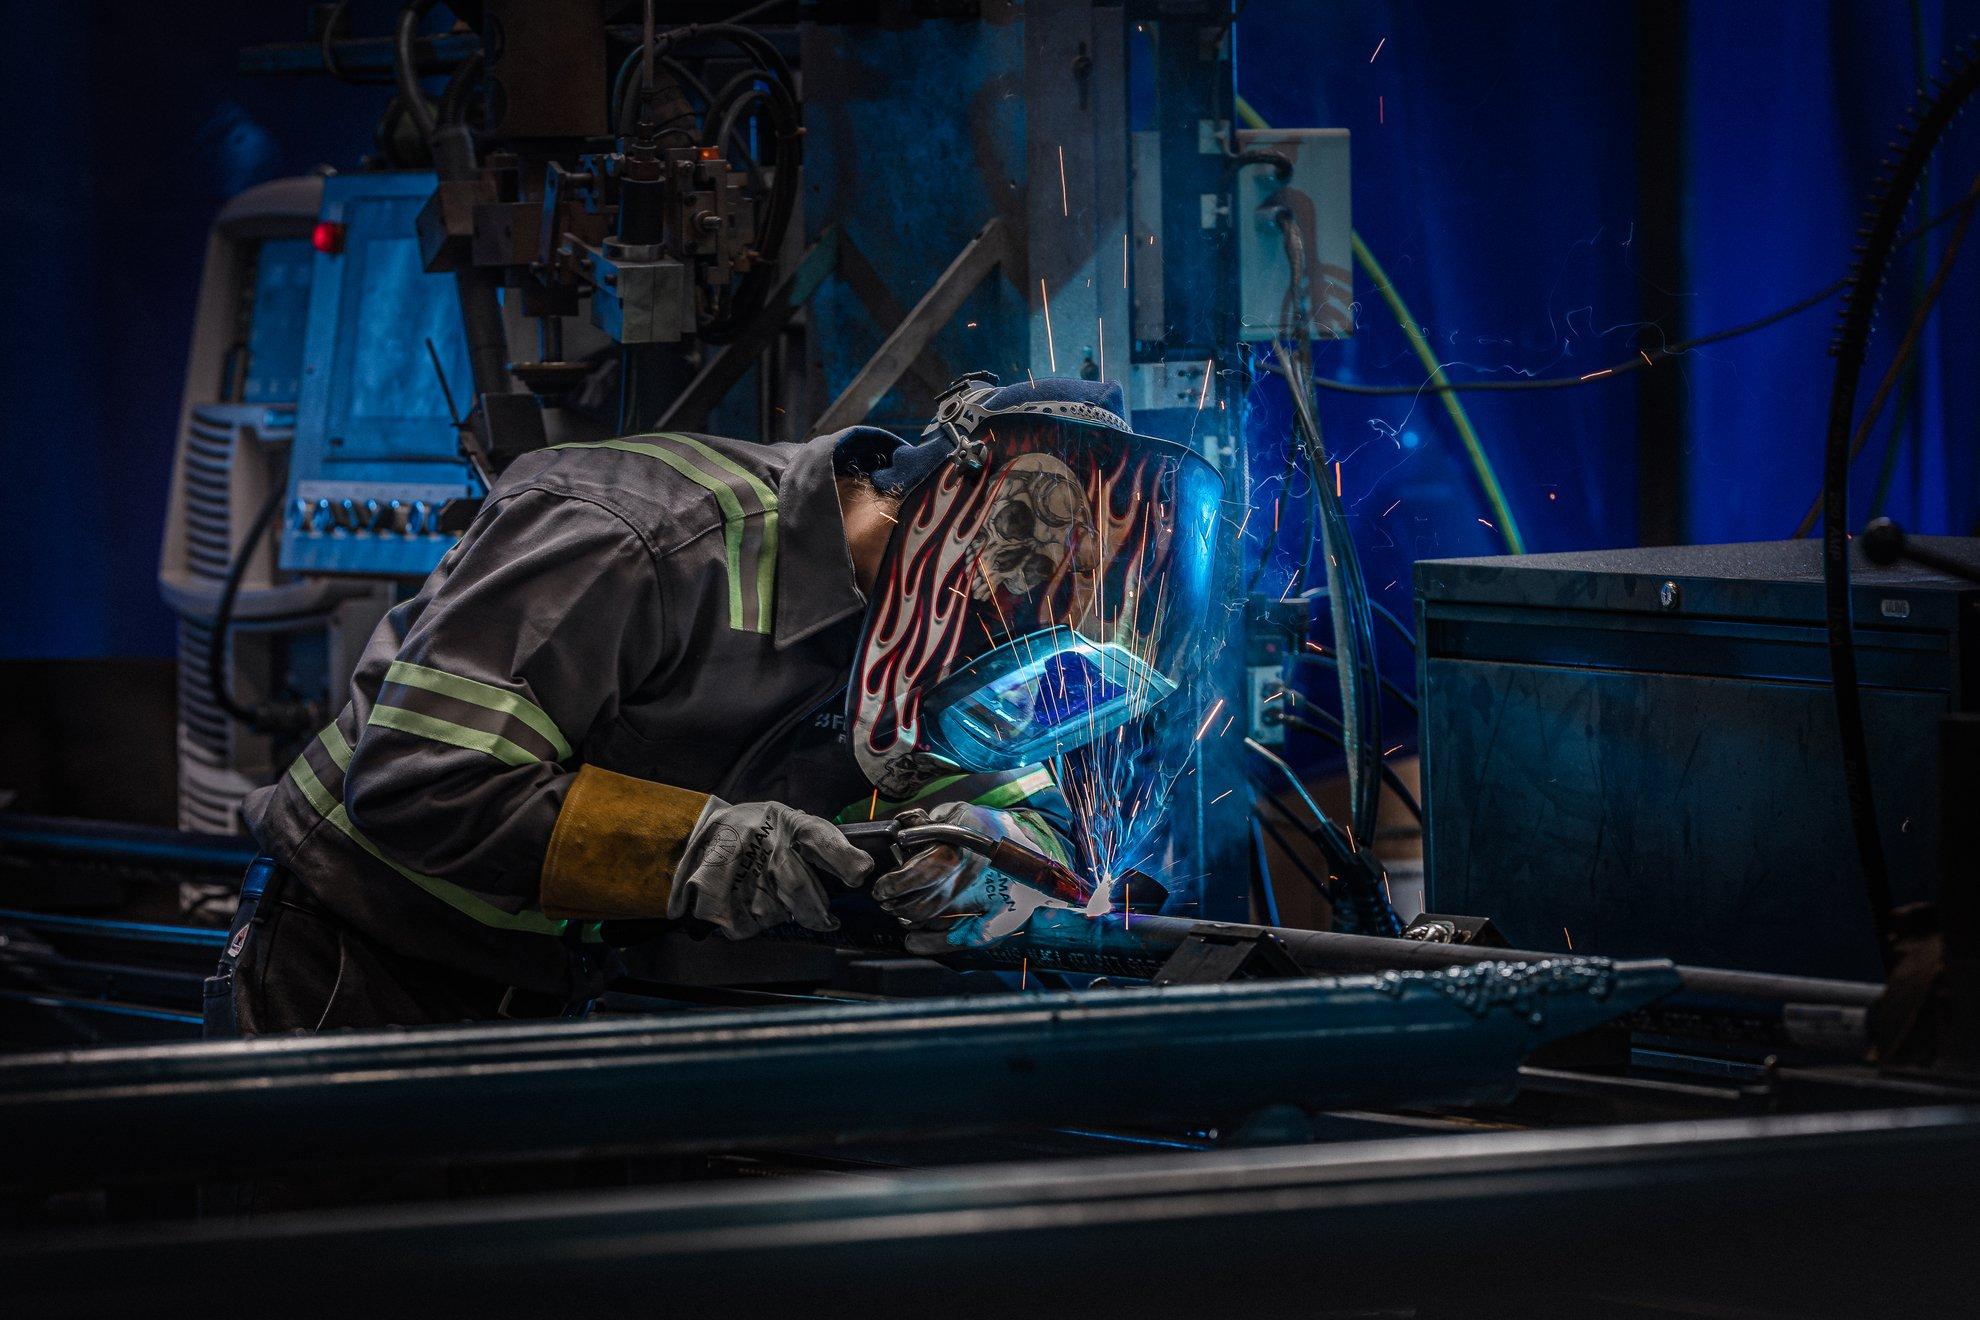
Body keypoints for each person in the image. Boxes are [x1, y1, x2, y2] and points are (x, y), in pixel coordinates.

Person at [207, 376, 1219, 1034]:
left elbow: (1026, 819)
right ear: (957, 516)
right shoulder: (640, 531)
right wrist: (696, 847)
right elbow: (423, 783)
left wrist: (986, 858)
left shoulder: (932, 637)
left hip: (576, 995)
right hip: (359, 965)